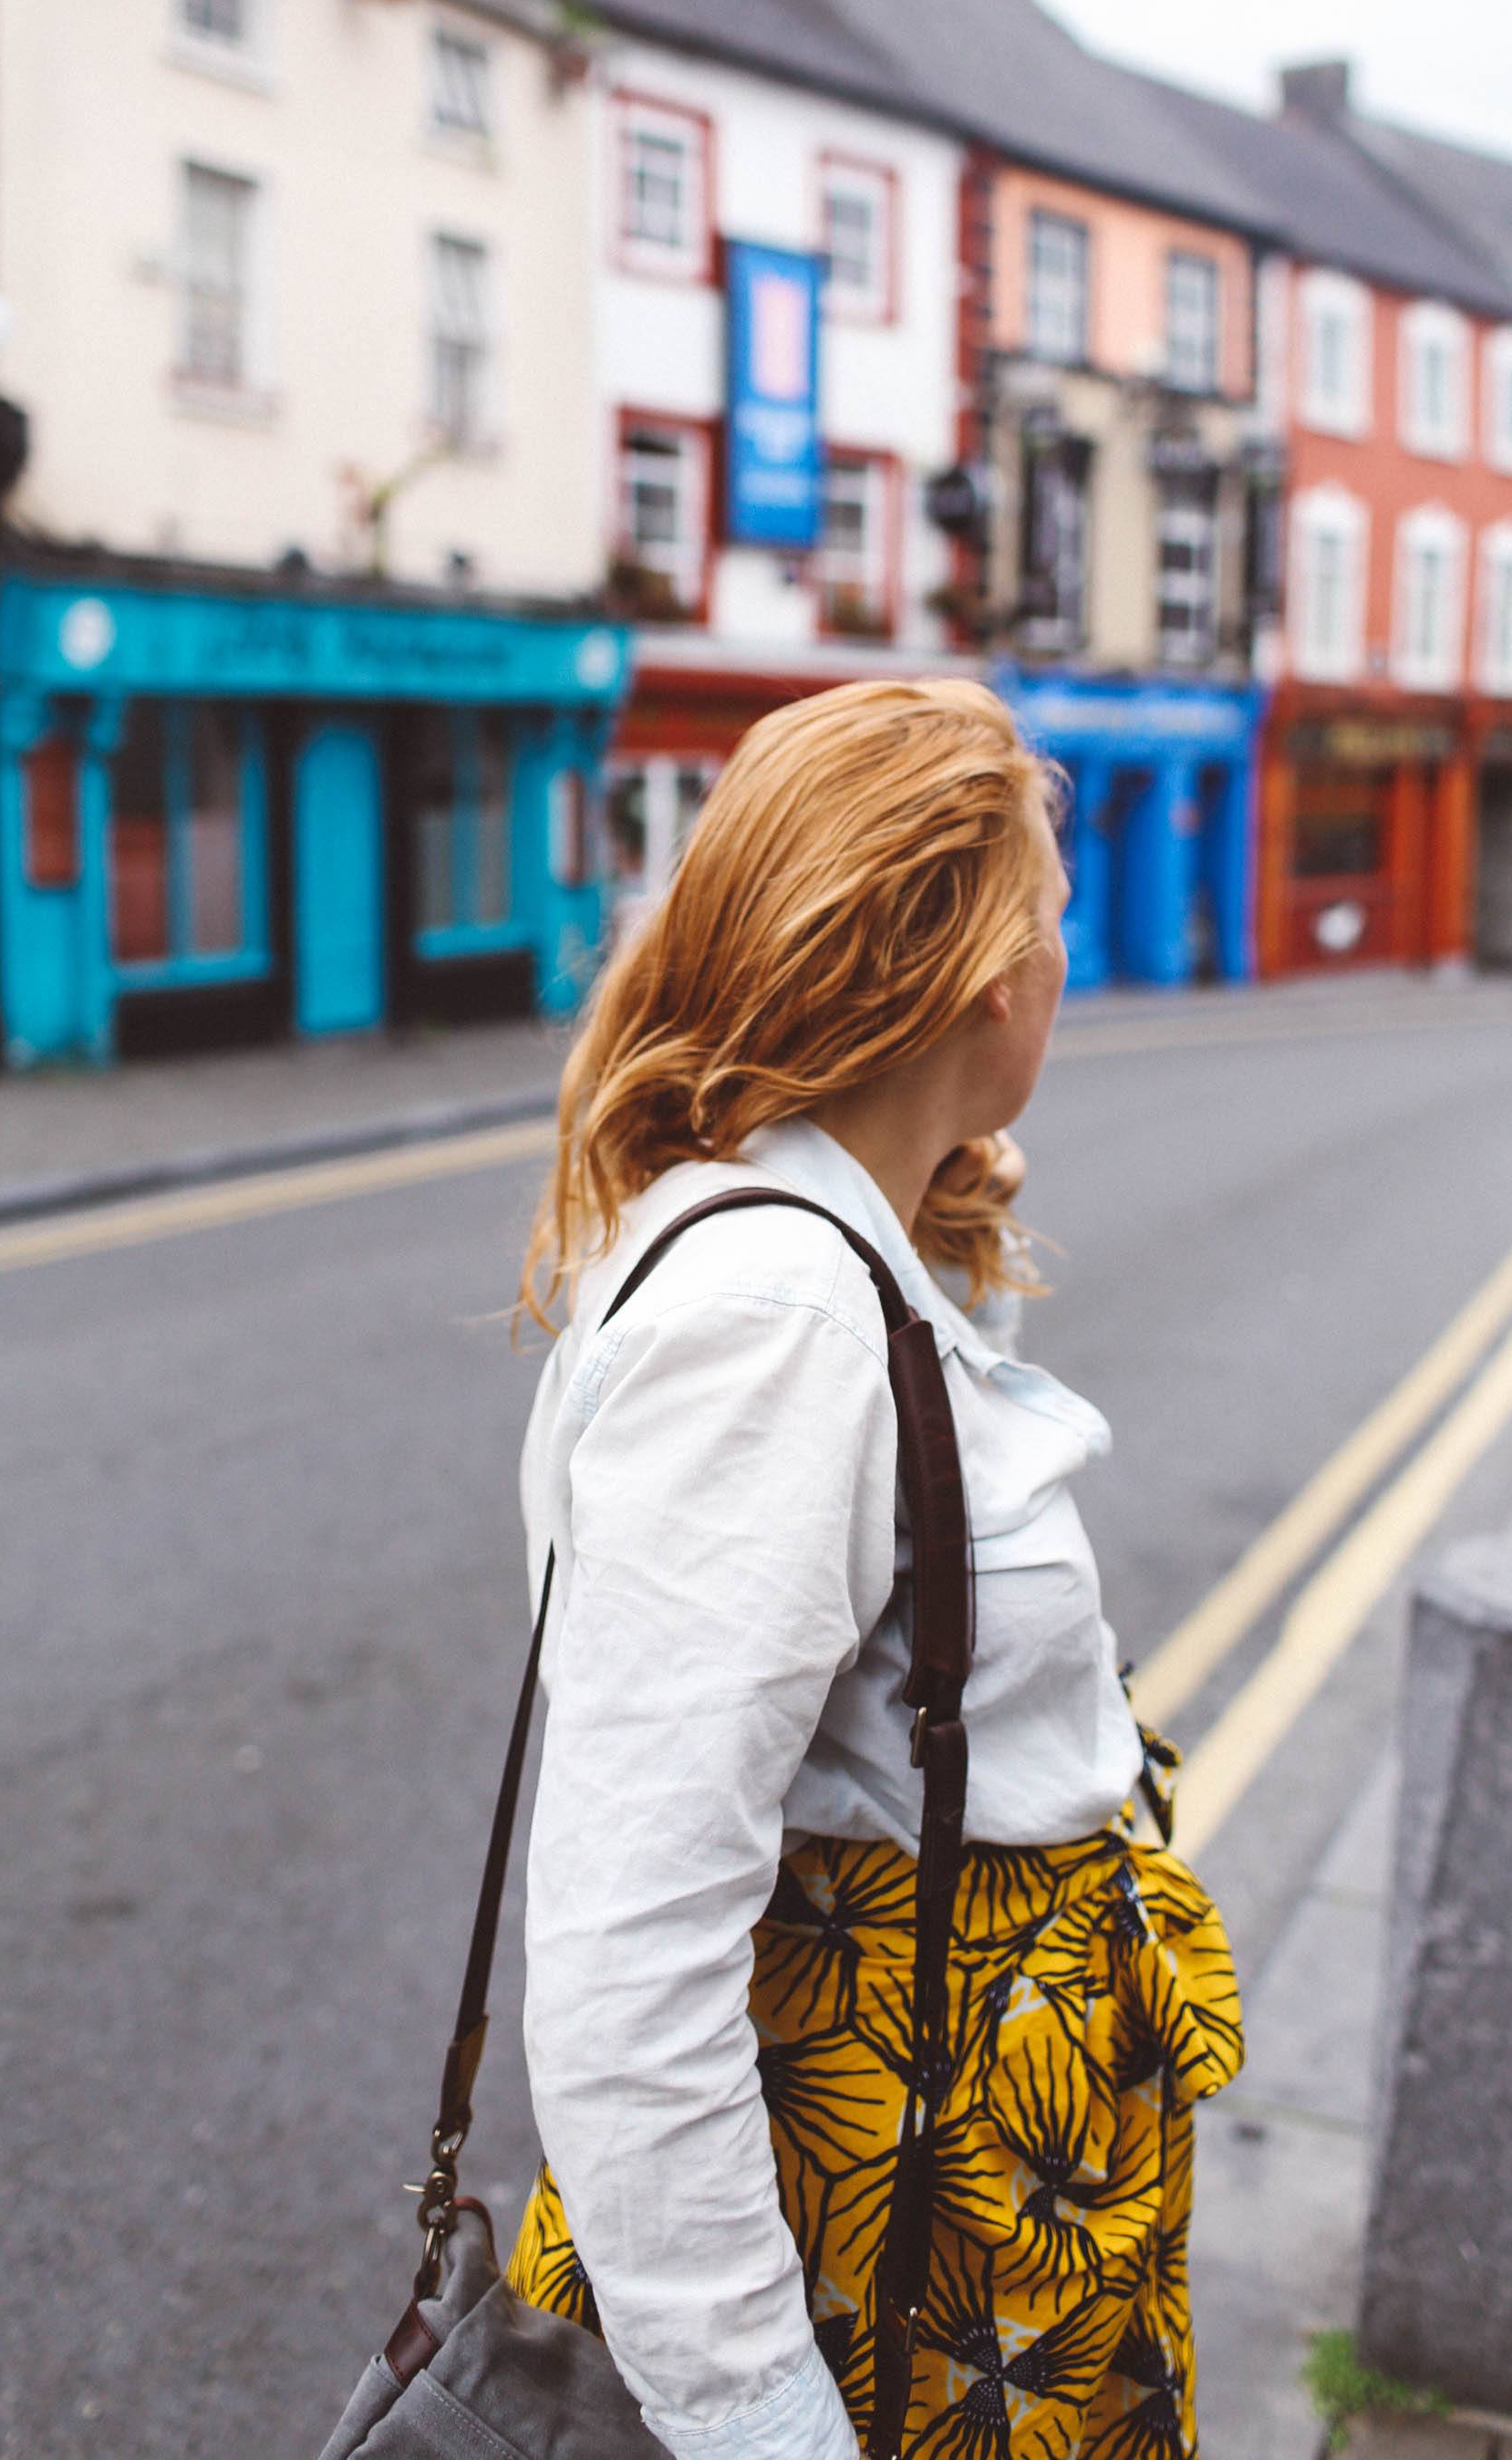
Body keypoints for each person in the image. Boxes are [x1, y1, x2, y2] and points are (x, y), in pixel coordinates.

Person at [507, 679, 1243, 2460]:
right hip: (900, 2263)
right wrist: (761, 2425)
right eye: (1054, 914)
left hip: (975, 2210)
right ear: (993, 972)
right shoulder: (770, 1320)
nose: (1065, 956)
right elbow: (626, 1964)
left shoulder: (832, 1255)